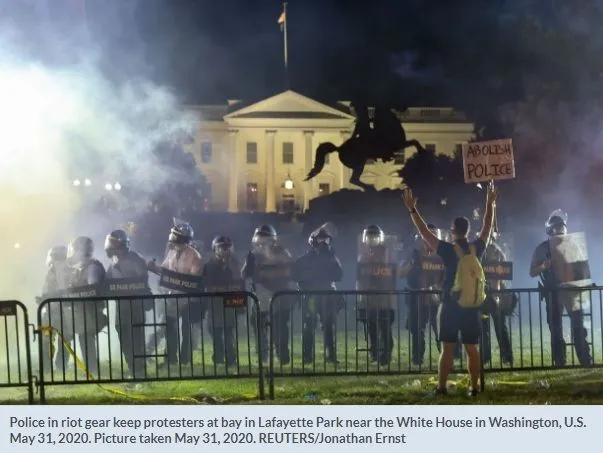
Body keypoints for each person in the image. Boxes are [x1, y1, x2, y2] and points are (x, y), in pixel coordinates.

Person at [402, 182, 496, 397]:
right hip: (472, 305)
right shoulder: (477, 248)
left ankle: (442, 387)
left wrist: (412, 210)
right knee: (471, 348)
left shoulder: (446, 250)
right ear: (468, 231)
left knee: (447, 348)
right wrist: (490, 203)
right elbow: (487, 226)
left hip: (451, 304)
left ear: (453, 231)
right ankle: (474, 387)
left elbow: (424, 232)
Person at [529, 211, 592, 367]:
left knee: (578, 326)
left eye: (562, 229)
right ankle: (559, 361)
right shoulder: (543, 248)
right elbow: (532, 271)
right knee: (556, 329)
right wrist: (543, 266)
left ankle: (585, 359)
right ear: (550, 231)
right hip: (553, 293)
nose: (560, 232)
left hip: (573, 292)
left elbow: (583, 267)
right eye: (557, 229)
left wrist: (585, 281)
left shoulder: (573, 246)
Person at [148, 220, 203, 367]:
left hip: (187, 298)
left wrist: (177, 280)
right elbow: (165, 270)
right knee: (170, 329)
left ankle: (185, 360)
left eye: (175, 235)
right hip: (172, 297)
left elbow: (194, 279)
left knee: (186, 330)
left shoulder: (194, 256)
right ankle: (171, 359)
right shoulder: (172, 252)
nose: (172, 238)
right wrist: (154, 267)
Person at [242, 224, 297, 365]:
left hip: (279, 294)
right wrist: (249, 263)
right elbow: (245, 274)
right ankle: (263, 356)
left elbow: (289, 273)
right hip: (260, 295)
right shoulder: (253, 255)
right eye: (260, 239)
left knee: (280, 326)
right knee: (258, 324)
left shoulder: (282, 253)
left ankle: (282, 355)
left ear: (273, 240)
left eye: (265, 239)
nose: (262, 243)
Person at [104, 229, 152, 379]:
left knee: (136, 338)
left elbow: (142, 280)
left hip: (135, 304)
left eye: (112, 243)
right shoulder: (113, 260)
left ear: (120, 244)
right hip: (121, 305)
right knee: (123, 335)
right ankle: (132, 368)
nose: (109, 246)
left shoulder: (135, 259)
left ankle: (140, 371)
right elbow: (108, 280)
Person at [293, 224, 343, 364]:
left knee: (329, 325)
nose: (323, 244)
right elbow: (295, 274)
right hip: (311, 296)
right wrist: (305, 284)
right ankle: (307, 356)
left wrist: (332, 258)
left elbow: (339, 275)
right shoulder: (305, 259)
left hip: (327, 295)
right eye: (320, 240)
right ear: (313, 242)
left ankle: (331, 355)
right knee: (309, 325)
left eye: (326, 240)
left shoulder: (331, 258)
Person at [399, 225, 443, 366]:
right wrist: (412, 264)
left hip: (436, 299)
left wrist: (437, 288)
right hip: (417, 298)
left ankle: (446, 358)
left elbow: (447, 276)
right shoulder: (413, 254)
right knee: (417, 330)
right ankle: (417, 358)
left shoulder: (441, 256)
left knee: (440, 330)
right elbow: (400, 273)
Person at [356, 224, 397, 367]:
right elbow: (360, 279)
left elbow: (392, 277)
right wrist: (361, 301)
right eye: (369, 238)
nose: (372, 241)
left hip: (384, 299)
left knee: (385, 328)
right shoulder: (363, 257)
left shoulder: (387, 255)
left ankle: (386, 354)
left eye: (374, 237)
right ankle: (374, 352)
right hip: (369, 299)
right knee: (372, 327)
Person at [66, 236, 107, 378]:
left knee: (86, 339)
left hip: (89, 310)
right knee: (84, 339)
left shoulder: (92, 267)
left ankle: (92, 371)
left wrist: (74, 294)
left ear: (80, 250)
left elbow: (92, 288)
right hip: (83, 309)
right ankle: (91, 370)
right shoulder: (83, 266)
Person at [202, 236, 242, 367]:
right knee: (214, 331)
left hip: (230, 303)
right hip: (215, 303)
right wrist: (226, 288)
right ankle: (218, 358)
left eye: (227, 247)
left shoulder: (234, 264)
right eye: (222, 247)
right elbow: (208, 287)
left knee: (228, 331)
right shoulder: (209, 266)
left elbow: (238, 283)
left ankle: (231, 358)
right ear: (215, 249)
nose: (225, 250)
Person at [480, 233, 514, 366]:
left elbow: (499, 275)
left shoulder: (497, 252)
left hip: (496, 294)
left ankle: (507, 356)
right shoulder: (479, 251)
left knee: (500, 326)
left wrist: (496, 294)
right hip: (483, 294)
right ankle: (485, 357)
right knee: (484, 327)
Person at [38, 246, 73, 374]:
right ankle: (58, 366)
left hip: (56, 312)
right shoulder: (57, 271)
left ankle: (51, 367)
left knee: (53, 340)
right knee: (59, 340)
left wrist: (44, 299)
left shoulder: (62, 272)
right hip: (56, 311)